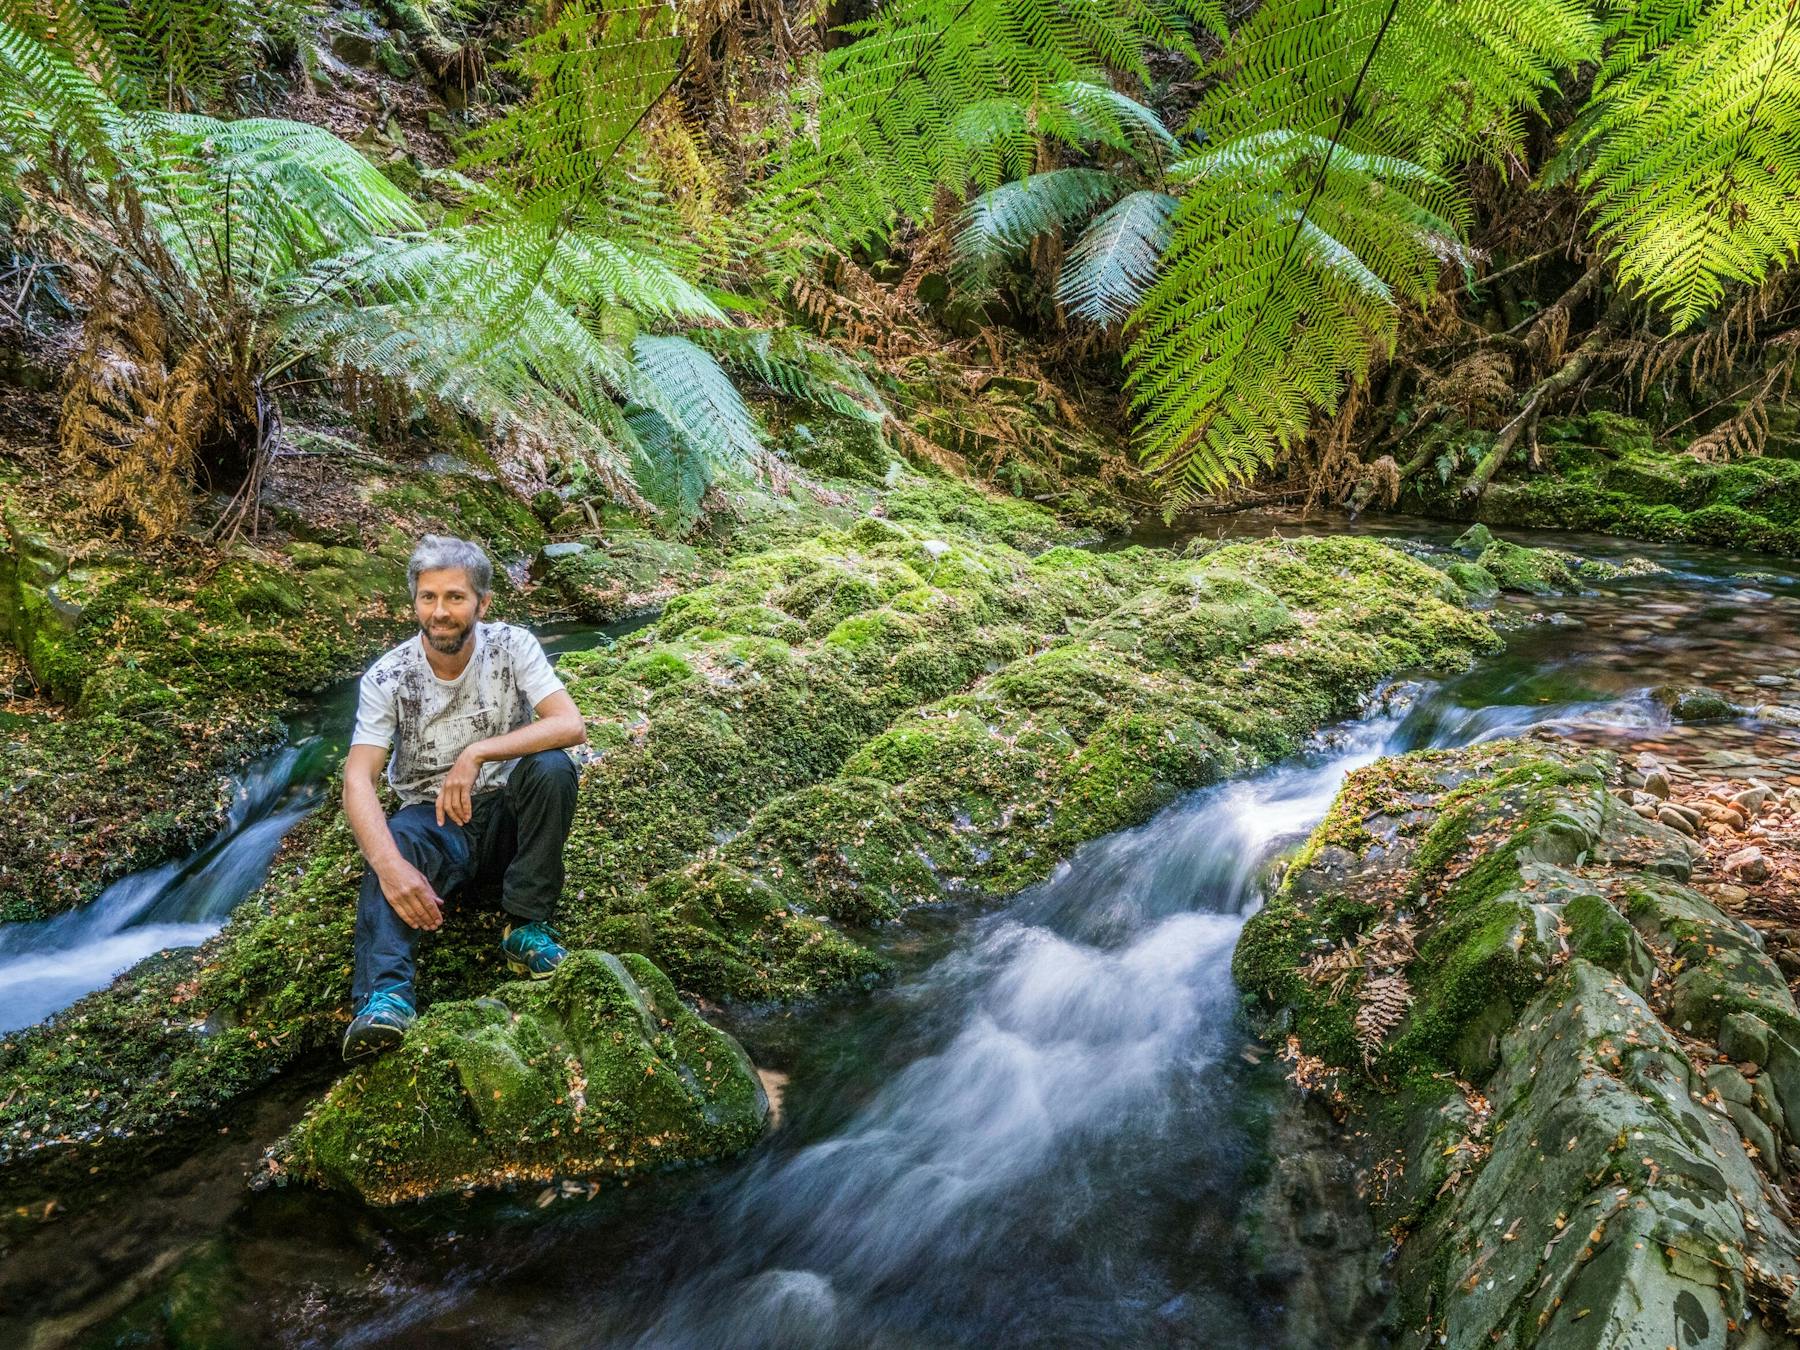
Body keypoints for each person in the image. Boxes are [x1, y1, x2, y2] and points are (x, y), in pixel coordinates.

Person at [339, 534, 589, 1060]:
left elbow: (569, 724)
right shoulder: (388, 676)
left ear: (482, 603)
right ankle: (386, 997)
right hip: (434, 823)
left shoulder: (512, 646)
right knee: (394, 843)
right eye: (428, 597)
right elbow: (358, 778)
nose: (440, 611)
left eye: (455, 597)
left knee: (551, 768)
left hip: (508, 821)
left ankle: (525, 925)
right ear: (414, 603)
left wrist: (476, 753)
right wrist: (388, 866)